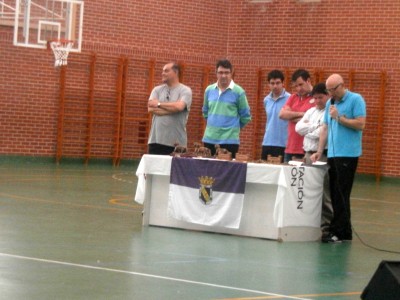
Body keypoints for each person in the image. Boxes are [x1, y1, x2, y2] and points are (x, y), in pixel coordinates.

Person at [311, 74, 366, 243]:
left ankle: (339, 231)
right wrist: (319, 150)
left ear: (342, 86)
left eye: (333, 90)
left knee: (341, 193)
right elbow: (325, 128)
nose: (331, 93)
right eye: (329, 90)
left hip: (348, 154)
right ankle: (343, 231)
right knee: (334, 193)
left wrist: (340, 118)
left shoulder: (356, 100)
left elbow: (360, 124)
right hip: (333, 154)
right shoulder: (330, 103)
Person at [295, 82, 333, 236]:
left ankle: (326, 226)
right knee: (307, 189)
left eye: (320, 97)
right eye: (315, 98)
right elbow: (298, 128)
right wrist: (314, 127)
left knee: (324, 192)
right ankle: (309, 222)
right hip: (307, 154)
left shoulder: (329, 112)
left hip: (322, 154)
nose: (317, 101)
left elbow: (322, 133)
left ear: (328, 96)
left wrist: (309, 129)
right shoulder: (310, 111)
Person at [202, 59, 251, 158]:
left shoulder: (239, 92)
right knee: (208, 172)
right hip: (209, 140)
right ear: (216, 73)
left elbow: (246, 116)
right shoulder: (209, 90)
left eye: (226, 72)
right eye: (220, 72)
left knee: (227, 173)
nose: (223, 76)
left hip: (230, 142)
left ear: (231, 73)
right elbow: (205, 112)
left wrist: (233, 128)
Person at [147, 62, 192, 155]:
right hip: (156, 141)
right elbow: (150, 109)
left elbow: (180, 107)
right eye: (162, 71)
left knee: (175, 170)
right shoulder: (157, 90)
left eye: (166, 71)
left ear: (175, 72)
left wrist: (158, 104)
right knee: (153, 170)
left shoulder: (185, 90)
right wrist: (173, 109)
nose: (163, 73)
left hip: (177, 143)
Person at [279, 69, 315, 162]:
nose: (298, 88)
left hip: (305, 150)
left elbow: (313, 121)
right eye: (296, 86)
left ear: (308, 81)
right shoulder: (293, 97)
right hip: (290, 148)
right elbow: (282, 114)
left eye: (301, 84)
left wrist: (291, 116)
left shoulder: (316, 98)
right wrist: (303, 114)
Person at [261, 70, 291, 162]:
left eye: (278, 83)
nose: (275, 86)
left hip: (284, 143)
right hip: (267, 142)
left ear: (283, 83)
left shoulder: (290, 98)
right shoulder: (266, 100)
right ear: (268, 84)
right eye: (272, 83)